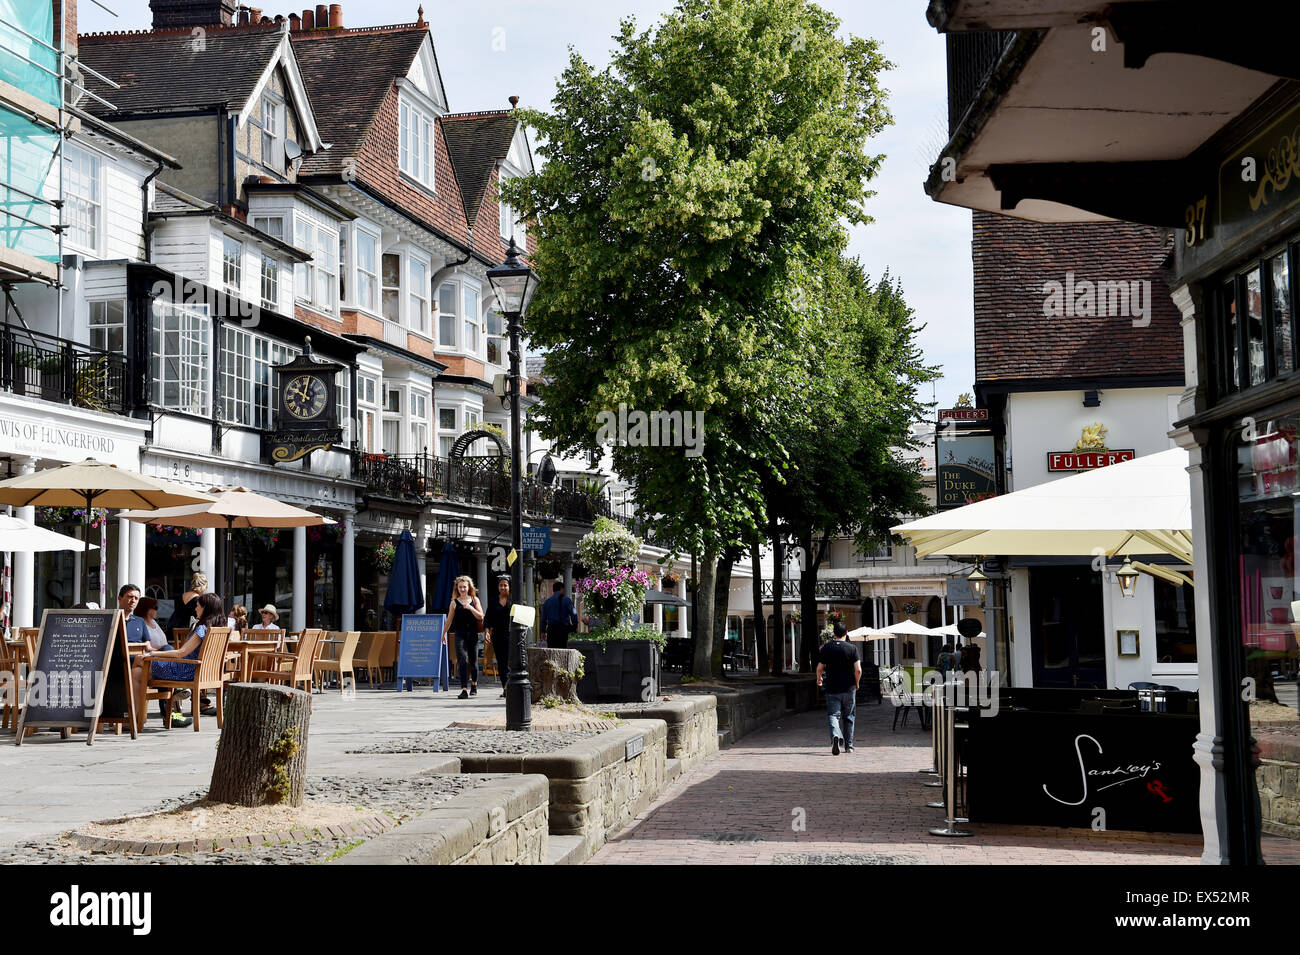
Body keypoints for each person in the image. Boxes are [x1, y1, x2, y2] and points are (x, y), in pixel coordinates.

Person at [130, 591, 225, 731]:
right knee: (138, 672)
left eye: (198, 606)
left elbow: (181, 653)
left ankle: (134, 719)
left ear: (206, 608)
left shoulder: (202, 628)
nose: (196, 608)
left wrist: (153, 654)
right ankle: (137, 718)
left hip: (184, 671)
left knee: (138, 659)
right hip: (199, 671)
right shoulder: (219, 629)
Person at [816, 620, 861, 756]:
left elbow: (819, 668)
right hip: (849, 688)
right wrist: (857, 683)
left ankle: (836, 734)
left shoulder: (826, 648)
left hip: (832, 688)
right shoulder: (852, 648)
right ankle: (849, 746)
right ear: (846, 633)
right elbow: (858, 670)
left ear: (834, 634)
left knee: (833, 715)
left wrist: (819, 678)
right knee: (849, 717)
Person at [442, 575, 483, 699]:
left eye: (464, 587)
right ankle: (464, 688)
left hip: (472, 633)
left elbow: (481, 616)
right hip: (460, 634)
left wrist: (470, 608)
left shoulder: (475, 600)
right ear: (457, 588)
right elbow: (449, 620)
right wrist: (443, 633)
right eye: (460, 587)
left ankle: (474, 685)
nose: (462, 589)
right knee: (462, 659)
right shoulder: (454, 603)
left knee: (473, 662)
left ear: (469, 587)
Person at [484, 575, 514, 698]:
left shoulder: (514, 600)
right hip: (497, 635)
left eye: (505, 585)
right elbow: (487, 618)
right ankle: (505, 687)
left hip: (511, 635)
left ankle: (512, 687)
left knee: (510, 662)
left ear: (509, 587)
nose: (503, 587)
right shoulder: (493, 601)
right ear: (498, 587)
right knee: (501, 663)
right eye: (501, 585)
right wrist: (486, 632)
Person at [540, 581, 577, 650]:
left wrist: (543, 631)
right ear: (561, 589)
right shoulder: (567, 600)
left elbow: (543, 619)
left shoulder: (547, 602)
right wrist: (575, 626)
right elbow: (574, 613)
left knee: (552, 652)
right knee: (563, 652)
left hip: (551, 631)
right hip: (563, 630)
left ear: (553, 590)